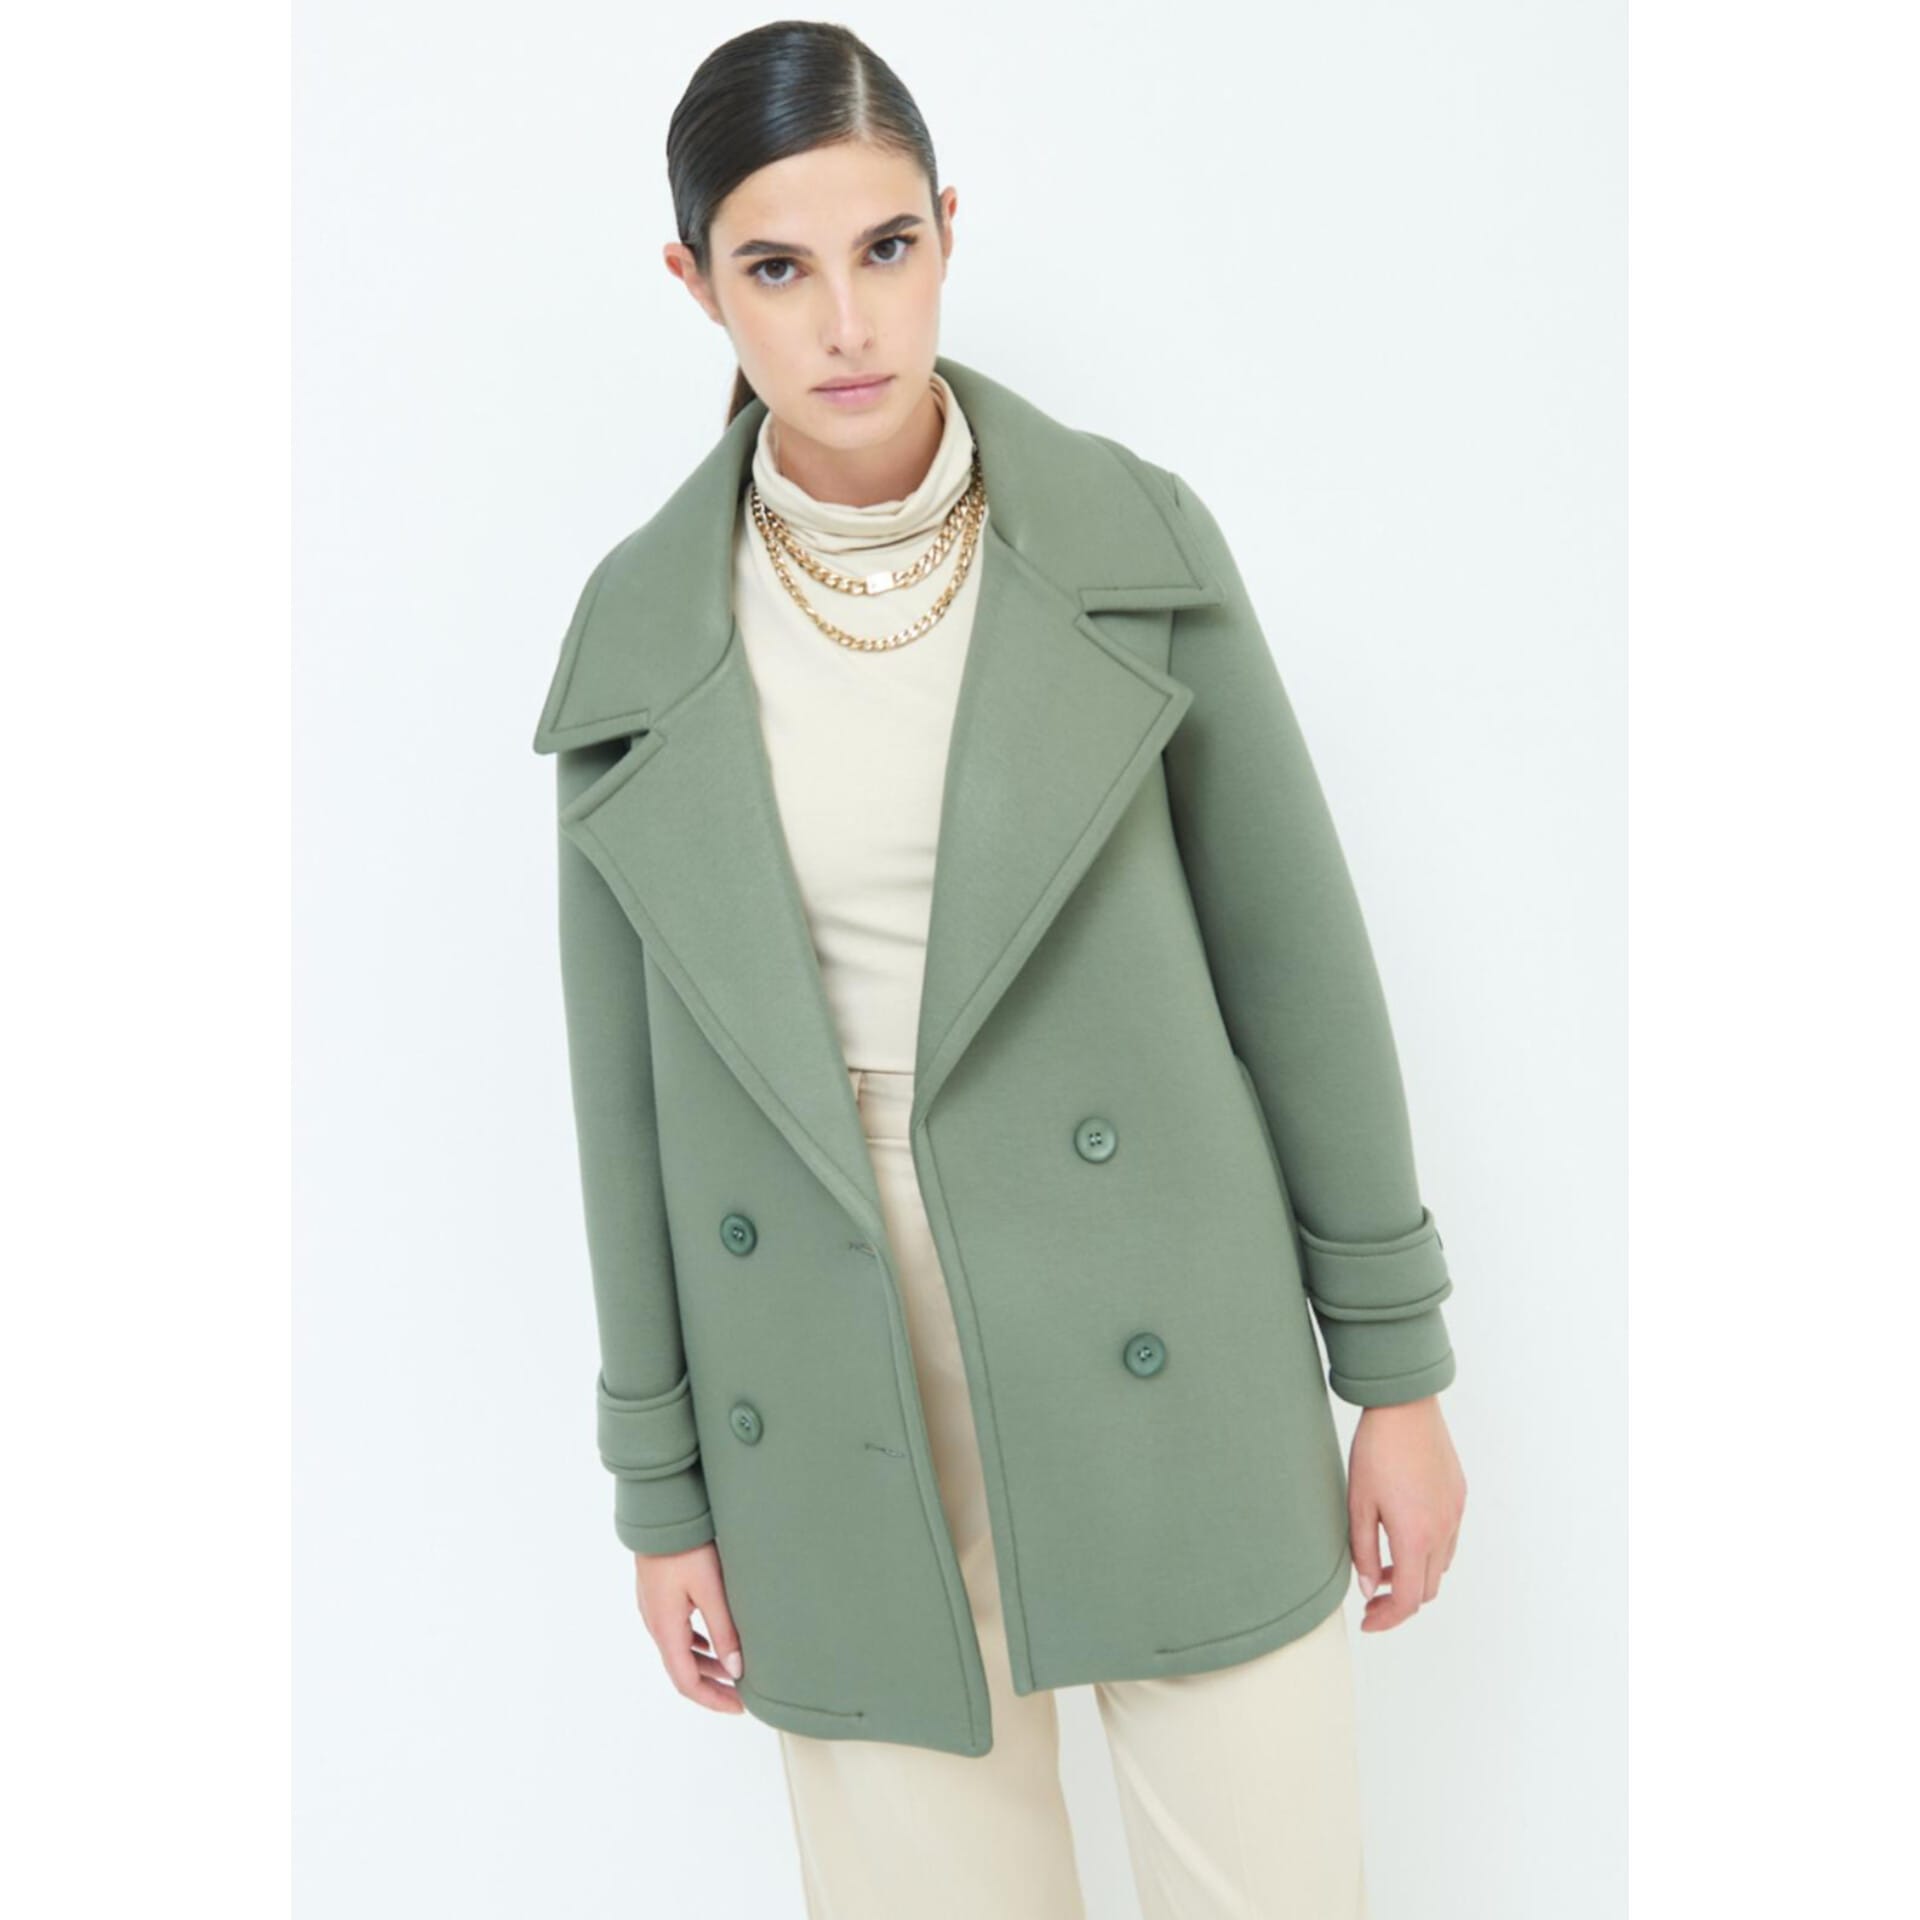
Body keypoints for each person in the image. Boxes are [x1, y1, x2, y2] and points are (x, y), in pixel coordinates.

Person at [536, 21, 1467, 1918]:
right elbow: (622, 1100)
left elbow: (1296, 963)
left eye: (886, 247)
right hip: (818, 1358)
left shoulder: (1131, 544)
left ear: (949, 231)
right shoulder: (640, 636)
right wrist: (664, 1489)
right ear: (694, 283)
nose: (846, 322)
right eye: (776, 268)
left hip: (1162, 1309)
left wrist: (1398, 1373)